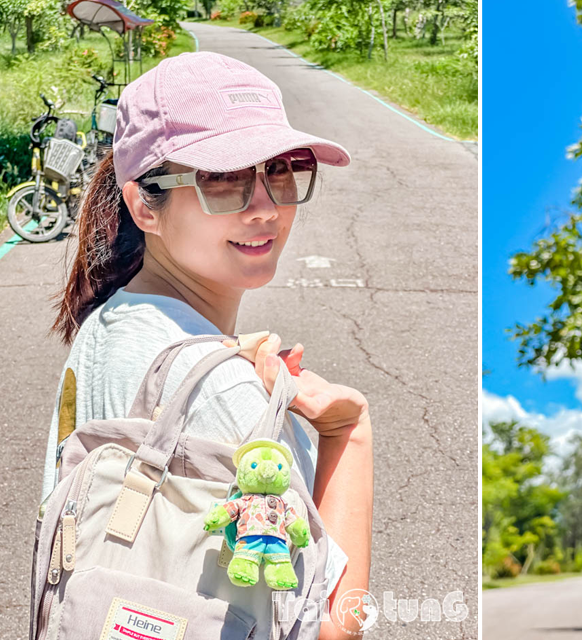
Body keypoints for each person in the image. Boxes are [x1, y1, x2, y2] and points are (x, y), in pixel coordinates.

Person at [40, 51, 373, 638]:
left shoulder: (107, 322)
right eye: (223, 181)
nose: (266, 207)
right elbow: (332, 625)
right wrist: (350, 432)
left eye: (281, 171)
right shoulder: (217, 389)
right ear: (145, 204)